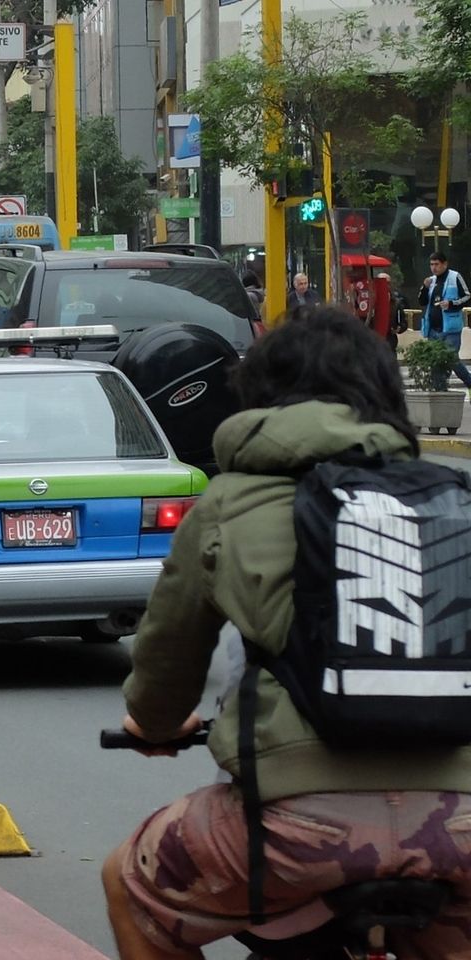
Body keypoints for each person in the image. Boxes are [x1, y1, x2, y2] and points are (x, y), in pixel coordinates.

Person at [102, 305, 471, 959]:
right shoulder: (454, 501)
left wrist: (156, 727)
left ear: (258, 398)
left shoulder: (229, 502)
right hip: (459, 826)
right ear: (386, 397)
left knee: (131, 885)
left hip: (295, 831)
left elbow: (165, 666)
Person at [420, 250, 471, 391]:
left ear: (444, 264)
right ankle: (440, 391)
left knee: (451, 359)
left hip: (451, 328)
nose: (434, 267)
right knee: (436, 362)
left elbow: (467, 296)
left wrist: (451, 303)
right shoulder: (431, 280)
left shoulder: (455, 277)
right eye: (431, 264)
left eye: (436, 264)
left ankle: (469, 382)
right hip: (433, 329)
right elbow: (422, 301)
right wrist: (424, 288)